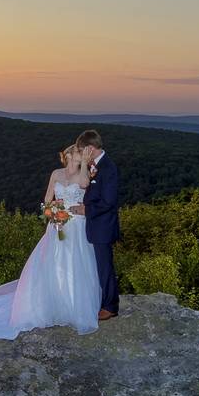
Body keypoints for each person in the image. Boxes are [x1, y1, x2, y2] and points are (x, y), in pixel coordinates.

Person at [0, 143, 101, 339]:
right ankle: (50, 305)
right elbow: (47, 199)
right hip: (57, 224)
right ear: (67, 155)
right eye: (77, 151)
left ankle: (73, 307)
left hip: (77, 226)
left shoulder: (83, 174)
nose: (81, 153)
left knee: (76, 265)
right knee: (52, 265)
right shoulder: (56, 174)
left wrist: (84, 164)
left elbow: (84, 184)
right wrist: (52, 213)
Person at [70, 129, 120, 319]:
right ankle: (102, 301)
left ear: (90, 148)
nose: (82, 154)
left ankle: (110, 306)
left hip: (103, 226)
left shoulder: (108, 168)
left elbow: (109, 201)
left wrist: (86, 210)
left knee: (105, 266)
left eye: (83, 151)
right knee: (98, 266)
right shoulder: (96, 165)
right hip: (96, 224)